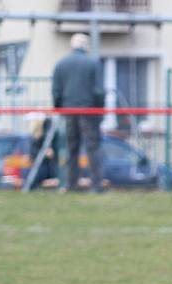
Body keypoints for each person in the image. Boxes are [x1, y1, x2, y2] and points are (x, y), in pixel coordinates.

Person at [52, 33, 104, 193]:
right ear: (85, 46)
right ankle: (96, 186)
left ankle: (69, 184)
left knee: (71, 148)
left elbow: (56, 92)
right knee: (92, 148)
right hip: (88, 111)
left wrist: (59, 108)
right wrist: (99, 111)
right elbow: (98, 91)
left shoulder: (61, 64)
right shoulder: (92, 63)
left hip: (68, 111)